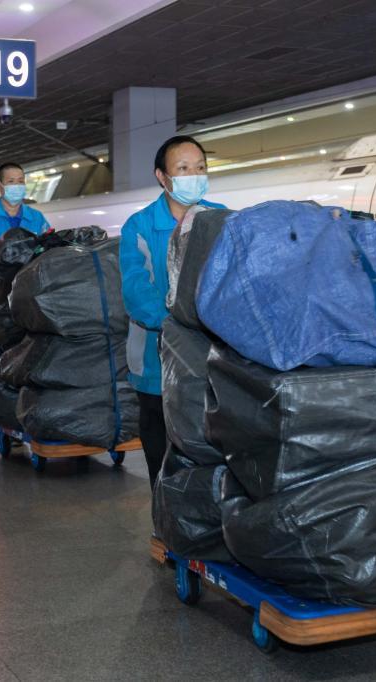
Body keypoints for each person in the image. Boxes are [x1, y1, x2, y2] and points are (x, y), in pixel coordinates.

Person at [119, 135, 227, 487]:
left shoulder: (220, 218)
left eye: (200, 167)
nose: (194, 175)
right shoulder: (140, 226)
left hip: (209, 353)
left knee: (207, 436)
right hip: (155, 355)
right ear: (162, 177)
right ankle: (164, 503)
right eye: (183, 168)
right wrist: (174, 327)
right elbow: (136, 289)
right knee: (160, 440)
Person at [0, 162, 50, 356]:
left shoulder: (37, 218)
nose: (17, 186)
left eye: (21, 181)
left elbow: (48, 254)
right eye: (11, 181)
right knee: (3, 360)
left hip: (32, 305)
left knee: (31, 359)